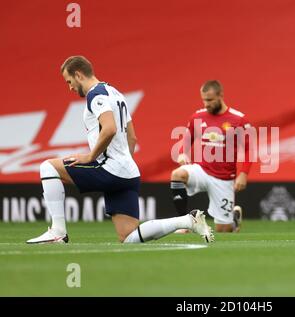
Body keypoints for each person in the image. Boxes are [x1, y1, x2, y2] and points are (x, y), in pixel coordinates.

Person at [27, 56, 214, 244]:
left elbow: (109, 129)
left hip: (110, 168)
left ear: (78, 74)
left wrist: (90, 157)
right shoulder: (115, 93)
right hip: (128, 173)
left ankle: (58, 232)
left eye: (69, 81)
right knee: (129, 237)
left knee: (48, 167)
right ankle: (188, 220)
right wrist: (123, 165)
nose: (70, 87)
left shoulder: (95, 94)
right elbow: (132, 137)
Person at [170, 80, 251, 233]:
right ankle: (184, 223)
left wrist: (243, 174)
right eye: (204, 100)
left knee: (223, 229)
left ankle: (233, 219)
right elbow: (187, 139)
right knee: (177, 174)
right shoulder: (197, 117)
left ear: (221, 95)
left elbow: (249, 150)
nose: (206, 104)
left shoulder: (238, 120)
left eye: (210, 100)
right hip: (202, 170)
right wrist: (182, 152)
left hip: (224, 178)